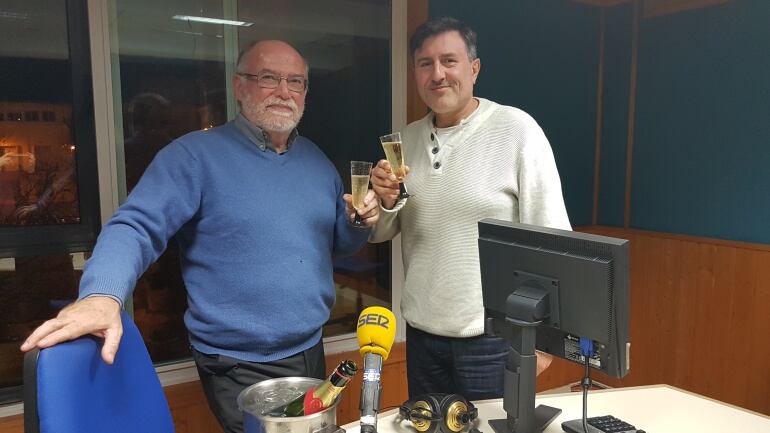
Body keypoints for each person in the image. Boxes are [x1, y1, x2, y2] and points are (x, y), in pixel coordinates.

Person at [21, 40, 380, 433]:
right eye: (268, 78)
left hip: (310, 348)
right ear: (239, 86)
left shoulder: (316, 161)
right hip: (237, 362)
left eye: (296, 82)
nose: (284, 91)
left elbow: (337, 246)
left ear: (306, 93)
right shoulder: (193, 157)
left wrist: (357, 223)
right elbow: (135, 226)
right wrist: (101, 294)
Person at [369, 17, 571, 400]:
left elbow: (553, 238)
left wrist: (546, 339)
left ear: (474, 69)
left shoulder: (517, 130)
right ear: (415, 72)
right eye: (425, 63)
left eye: (449, 61)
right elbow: (382, 232)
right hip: (422, 335)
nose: (437, 74)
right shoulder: (404, 140)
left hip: (494, 339)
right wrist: (386, 202)